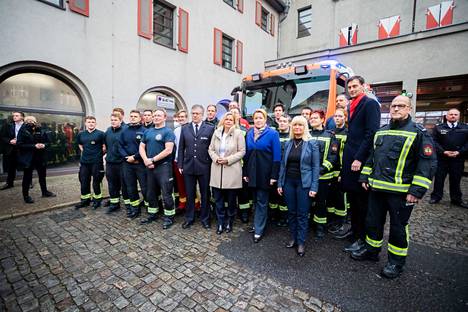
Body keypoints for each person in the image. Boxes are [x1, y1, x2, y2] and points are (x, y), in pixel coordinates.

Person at [351, 95, 437, 279]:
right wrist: (365, 176)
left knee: (398, 228)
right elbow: (372, 157)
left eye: (401, 106)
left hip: (401, 193)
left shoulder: (419, 132)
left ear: (409, 109)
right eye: (393, 106)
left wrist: (416, 191)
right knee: (372, 222)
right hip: (376, 189)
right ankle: (372, 251)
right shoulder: (381, 131)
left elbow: (427, 164)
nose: (396, 109)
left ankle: (396, 262)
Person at [339, 76, 381, 253]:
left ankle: (362, 238)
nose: (352, 89)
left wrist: (358, 158)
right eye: (350, 87)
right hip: (350, 158)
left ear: (363, 87)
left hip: (359, 160)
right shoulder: (353, 105)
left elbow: (371, 134)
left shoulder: (370, 104)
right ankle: (354, 231)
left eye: (355, 86)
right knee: (353, 201)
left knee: (362, 203)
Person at [277, 116, 320, 256]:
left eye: (300, 125)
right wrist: (280, 183)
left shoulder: (312, 143)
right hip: (289, 182)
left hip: (304, 184)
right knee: (291, 212)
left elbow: (315, 167)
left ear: (305, 127)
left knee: (302, 214)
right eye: (295, 125)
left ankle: (301, 242)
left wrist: (314, 187)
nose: (297, 128)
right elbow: (283, 165)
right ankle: (293, 238)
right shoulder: (288, 143)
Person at [243, 109, 281, 243]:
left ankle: (259, 230)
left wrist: (273, 176)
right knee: (254, 199)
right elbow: (246, 154)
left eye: (261, 118)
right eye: (256, 118)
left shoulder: (272, 133)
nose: (258, 120)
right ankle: (256, 223)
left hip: (265, 174)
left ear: (265, 119)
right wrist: (245, 173)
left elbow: (277, 157)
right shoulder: (249, 133)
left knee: (262, 201)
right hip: (252, 172)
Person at [178, 104, 215, 229]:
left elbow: (212, 148)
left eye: (197, 113)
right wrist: (180, 164)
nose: (194, 115)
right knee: (190, 193)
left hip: (204, 166)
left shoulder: (210, 128)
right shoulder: (185, 128)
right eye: (193, 113)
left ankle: (205, 218)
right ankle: (189, 218)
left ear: (202, 115)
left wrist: (211, 165)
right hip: (188, 166)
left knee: (205, 194)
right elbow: (181, 148)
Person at [208, 112, 246, 234]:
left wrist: (228, 160)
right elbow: (210, 149)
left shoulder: (238, 133)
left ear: (234, 121)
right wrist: (215, 158)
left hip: (232, 171)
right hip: (217, 170)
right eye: (227, 119)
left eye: (231, 119)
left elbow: (242, 151)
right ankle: (220, 222)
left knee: (231, 200)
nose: (228, 121)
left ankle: (230, 221)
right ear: (223, 120)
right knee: (218, 200)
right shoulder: (216, 132)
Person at [140, 108, 176, 229]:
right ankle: (153, 213)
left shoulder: (168, 132)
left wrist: (152, 160)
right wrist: (145, 160)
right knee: (151, 192)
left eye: (159, 115)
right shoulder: (147, 132)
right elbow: (141, 147)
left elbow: (168, 150)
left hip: (163, 167)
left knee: (166, 193)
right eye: (154, 115)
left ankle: (169, 217)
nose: (156, 117)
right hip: (149, 167)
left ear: (165, 117)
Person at [309, 110, 339, 239]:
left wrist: (321, 170)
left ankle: (320, 226)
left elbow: (333, 156)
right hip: (307, 176)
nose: (312, 120)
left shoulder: (330, 135)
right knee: (307, 201)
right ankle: (308, 223)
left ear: (322, 120)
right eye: (311, 118)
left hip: (323, 176)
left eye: (315, 118)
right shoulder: (307, 135)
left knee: (321, 202)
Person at [430, 108, 468, 208]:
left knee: (456, 179)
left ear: (459, 116)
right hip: (442, 158)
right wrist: (443, 152)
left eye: (455, 114)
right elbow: (433, 141)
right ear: (447, 116)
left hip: (458, 159)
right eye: (451, 114)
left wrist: (459, 152)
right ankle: (436, 197)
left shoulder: (465, 128)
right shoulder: (438, 128)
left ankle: (456, 199)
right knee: (439, 179)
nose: (453, 116)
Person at [16, 116, 56, 203]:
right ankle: (26, 196)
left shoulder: (40, 129)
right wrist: (34, 146)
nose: (30, 122)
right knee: (27, 177)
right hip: (28, 158)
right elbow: (19, 145)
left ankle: (44, 192)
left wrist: (44, 145)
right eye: (28, 121)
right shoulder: (22, 130)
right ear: (25, 122)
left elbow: (48, 142)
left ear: (35, 122)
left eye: (32, 121)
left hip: (40, 157)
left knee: (42, 176)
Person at [119, 110, 148, 218]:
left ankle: (149, 207)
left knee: (145, 187)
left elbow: (146, 147)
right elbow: (120, 146)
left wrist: (135, 157)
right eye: (131, 116)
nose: (133, 118)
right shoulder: (124, 131)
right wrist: (127, 157)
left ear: (140, 118)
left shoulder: (145, 131)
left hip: (140, 163)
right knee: (130, 187)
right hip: (127, 164)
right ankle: (135, 208)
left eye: (135, 116)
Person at [75, 116, 106, 209]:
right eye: (89, 122)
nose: (91, 123)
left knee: (96, 182)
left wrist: (98, 154)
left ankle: (97, 200)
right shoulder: (81, 134)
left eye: (93, 122)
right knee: (84, 181)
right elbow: (80, 144)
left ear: (95, 123)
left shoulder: (101, 134)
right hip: (84, 162)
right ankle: (85, 200)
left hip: (96, 162)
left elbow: (104, 147)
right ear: (85, 123)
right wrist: (84, 152)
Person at [327, 108, 349, 234]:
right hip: (330, 169)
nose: (337, 118)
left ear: (345, 118)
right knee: (331, 196)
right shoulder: (329, 132)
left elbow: (347, 155)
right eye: (335, 116)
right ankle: (332, 220)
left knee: (341, 197)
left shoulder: (348, 133)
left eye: (340, 116)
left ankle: (342, 222)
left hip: (341, 170)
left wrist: (343, 172)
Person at [103, 112, 128, 214]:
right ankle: (114, 204)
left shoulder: (125, 130)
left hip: (122, 163)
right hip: (110, 163)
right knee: (112, 184)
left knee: (124, 184)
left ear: (120, 121)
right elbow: (105, 145)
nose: (113, 122)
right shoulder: (108, 131)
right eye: (112, 120)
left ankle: (128, 204)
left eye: (115, 120)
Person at [230, 107, 252, 223]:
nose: (233, 114)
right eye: (231, 112)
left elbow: (247, 149)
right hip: (229, 165)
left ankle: (244, 212)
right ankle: (230, 211)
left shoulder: (245, 130)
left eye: (236, 113)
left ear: (239, 116)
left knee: (243, 191)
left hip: (242, 165)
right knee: (230, 190)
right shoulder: (226, 130)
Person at [269, 113, 290, 226]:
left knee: (284, 196)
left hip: (286, 170)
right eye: (280, 121)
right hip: (274, 169)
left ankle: (283, 218)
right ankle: (273, 215)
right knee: (273, 195)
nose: (282, 123)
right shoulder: (274, 135)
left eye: (284, 121)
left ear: (289, 123)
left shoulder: (291, 137)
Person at [0, 111, 24, 190]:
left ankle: (28, 182)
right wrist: (10, 141)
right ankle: (9, 183)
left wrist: (20, 141)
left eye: (17, 115)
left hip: (24, 148)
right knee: (11, 167)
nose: (14, 117)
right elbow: (3, 136)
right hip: (12, 149)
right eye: (14, 116)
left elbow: (31, 137)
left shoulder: (26, 125)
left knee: (26, 166)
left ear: (22, 117)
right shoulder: (8, 125)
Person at [173, 109, 188, 212]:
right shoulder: (176, 130)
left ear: (187, 118)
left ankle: (195, 203)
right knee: (180, 183)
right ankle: (182, 202)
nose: (181, 118)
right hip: (177, 160)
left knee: (190, 184)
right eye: (179, 117)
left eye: (183, 117)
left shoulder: (190, 128)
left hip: (189, 160)